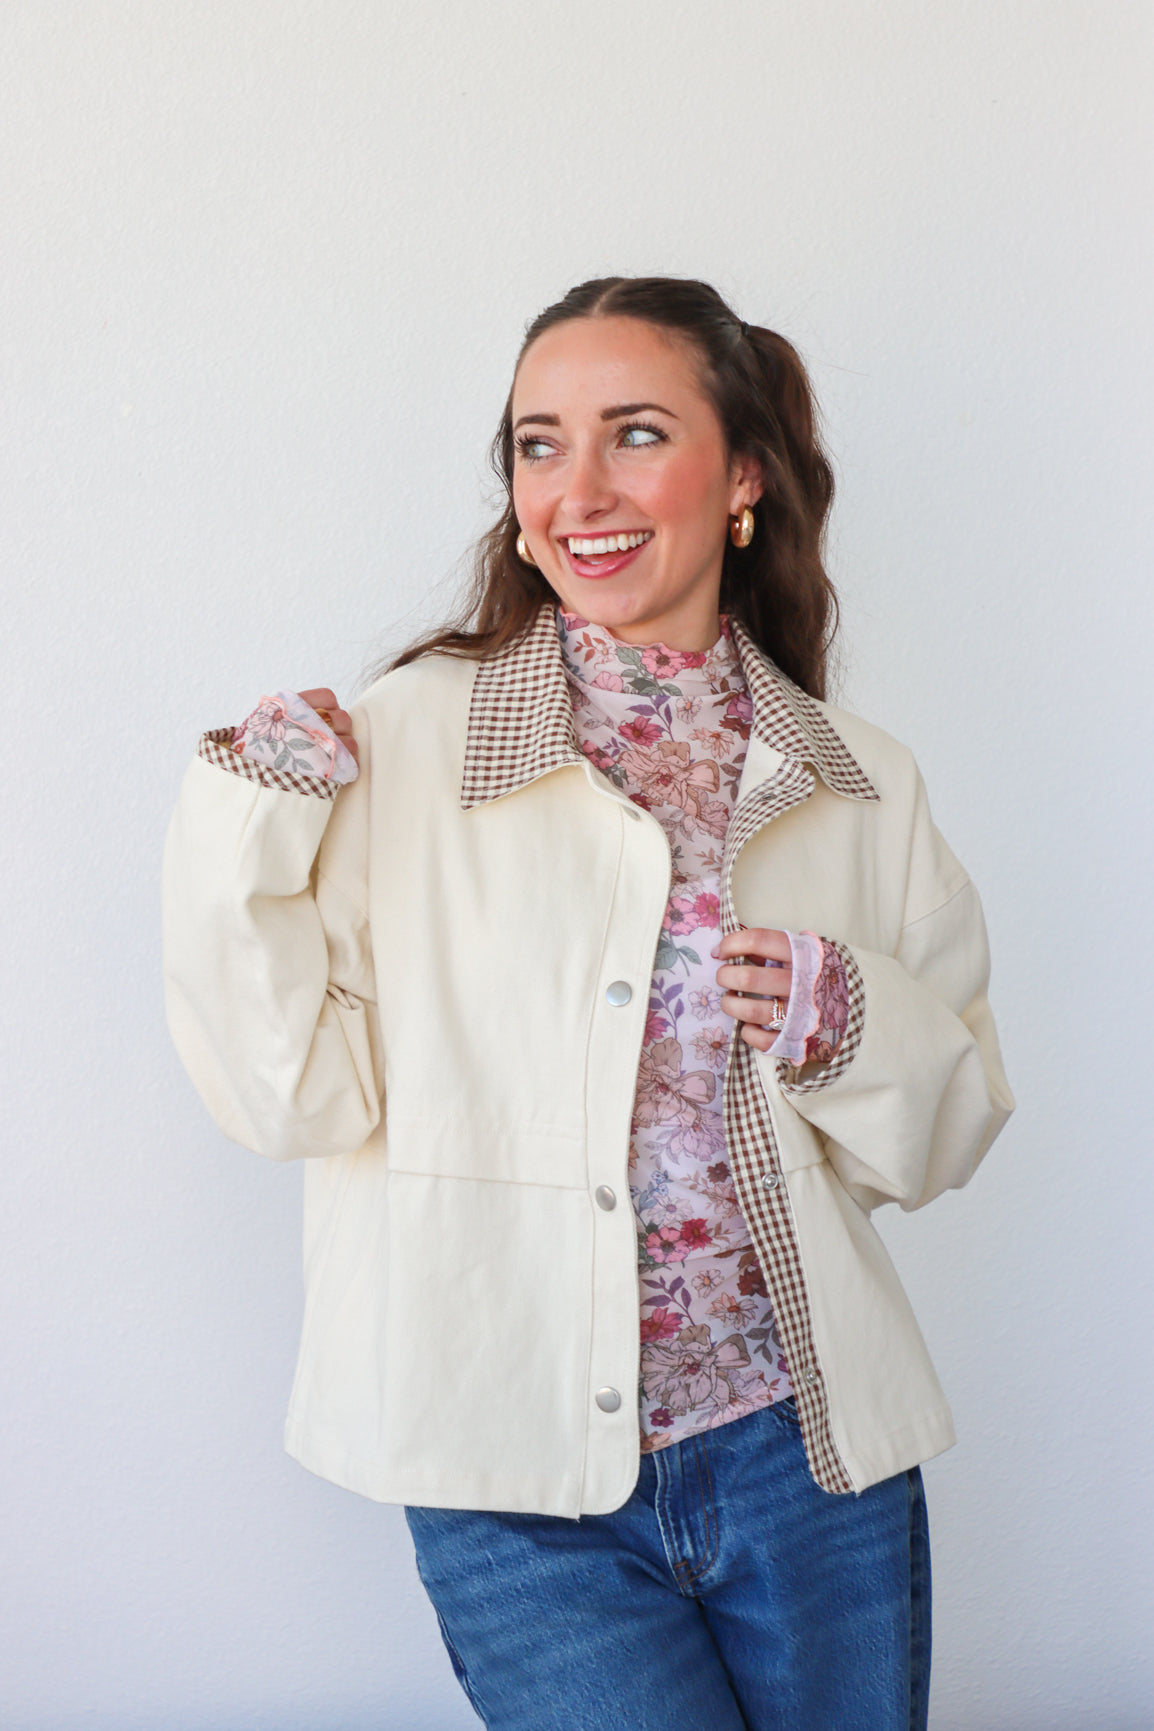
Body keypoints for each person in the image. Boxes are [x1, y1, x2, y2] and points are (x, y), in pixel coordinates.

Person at [162, 275, 1014, 1730]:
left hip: (805, 1458)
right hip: (513, 1476)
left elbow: (945, 1134)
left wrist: (844, 1019)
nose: (578, 490)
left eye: (633, 433)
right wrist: (241, 834)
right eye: (538, 444)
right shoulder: (404, 744)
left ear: (741, 475)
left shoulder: (856, 777)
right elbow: (288, 1099)